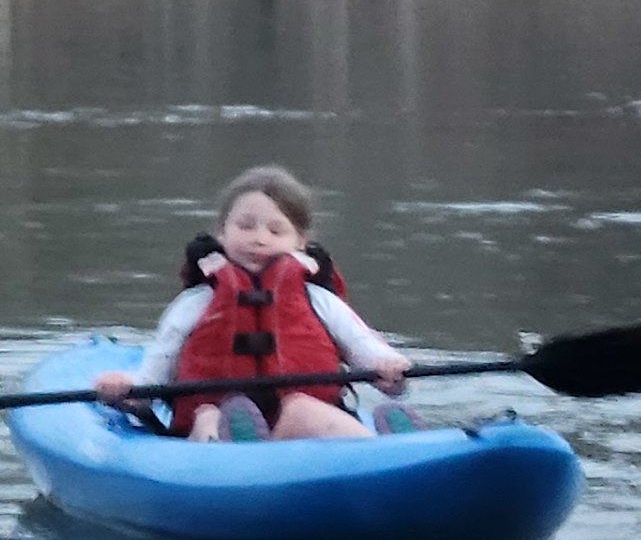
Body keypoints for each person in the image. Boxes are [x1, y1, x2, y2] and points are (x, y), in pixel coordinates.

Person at [96, 165, 408, 442]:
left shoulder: (319, 300)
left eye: (275, 230)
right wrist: (126, 391)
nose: (259, 238)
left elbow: (365, 348)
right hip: (213, 427)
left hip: (295, 432)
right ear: (221, 233)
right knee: (208, 415)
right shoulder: (195, 303)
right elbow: (153, 377)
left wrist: (388, 370)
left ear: (300, 241)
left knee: (303, 408)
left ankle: (395, 449)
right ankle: (236, 445)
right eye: (245, 226)